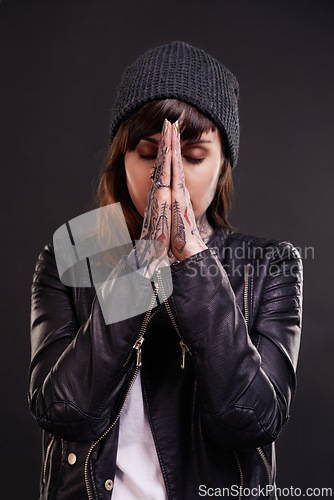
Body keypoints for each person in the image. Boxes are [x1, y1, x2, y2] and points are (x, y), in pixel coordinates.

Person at [28, 41, 303, 500]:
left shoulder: (271, 265)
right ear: (122, 158)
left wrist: (191, 261)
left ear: (223, 166)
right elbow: (64, 410)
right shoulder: (70, 253)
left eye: (192, 157)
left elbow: (252, 419)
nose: (167, 175)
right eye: (149, 153)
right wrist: (142, 269)